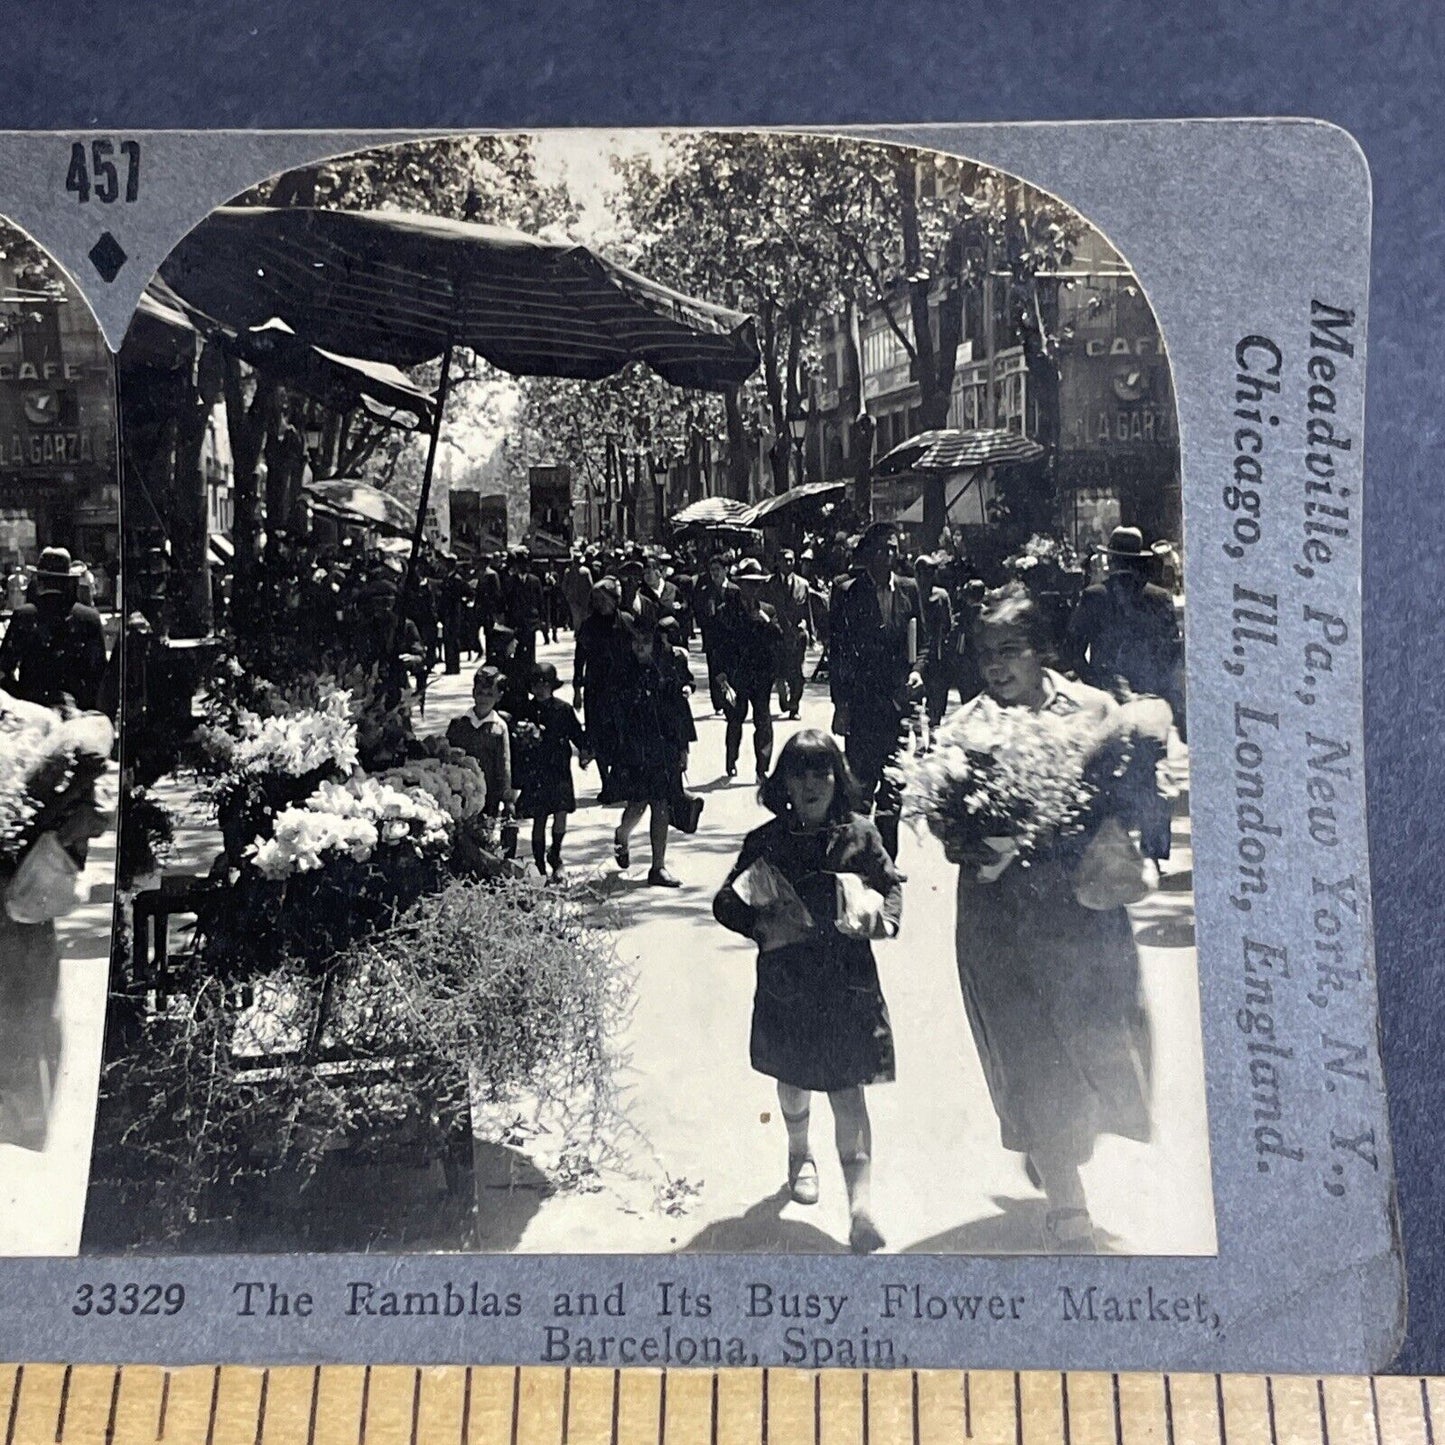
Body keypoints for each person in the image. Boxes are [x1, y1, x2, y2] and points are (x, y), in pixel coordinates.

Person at [947, 589, 1153, 1252]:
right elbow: (944, 817)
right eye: (985, 653)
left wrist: (1122, 826)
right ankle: (1066, 1197)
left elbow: (1133, 793)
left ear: (1042, 651)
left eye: (1009, 649)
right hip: (1000, 913)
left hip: (1082, 913)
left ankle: (1059, 1140)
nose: (994, 665)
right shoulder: (966, 728)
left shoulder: (1095, 710)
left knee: (1101, 1038)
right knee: (1030, 1046)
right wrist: (972, 840)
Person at [712, 729, 902, 1254]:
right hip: (789, 986)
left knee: (847, 1091)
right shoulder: (768, 841)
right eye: (801, 772)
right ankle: (799, 1151)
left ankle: (861, 1209)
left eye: (823, 771)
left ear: (837, 779)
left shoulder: (861, 837)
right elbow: (726, 901)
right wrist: (762, 927)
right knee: (793, 1082)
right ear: (784, 784)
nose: (813, 783)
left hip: (846, 986)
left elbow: (890, 888)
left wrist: (881, 919)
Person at [1067, 525, 1186, 859]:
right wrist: (1158, 690)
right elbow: (1171, 652)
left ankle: (1109, 851)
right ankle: (1155, 850)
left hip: (1107, 698)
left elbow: (1072, 649)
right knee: (1150, 771)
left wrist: (1094, 679)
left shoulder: (1094, 596)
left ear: (1112, 559)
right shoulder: (1159, 597)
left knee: (1104, 769)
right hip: (1148, 699)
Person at [828, 522, 924, 859]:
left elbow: (921, 644)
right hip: (862, 706)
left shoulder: (910, 589)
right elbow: (838, 653)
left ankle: (887, 862)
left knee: (894, 788)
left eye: (894, 549)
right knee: (861, 789)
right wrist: (841, 705)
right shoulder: (847, 592)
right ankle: (859, 860)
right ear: (867, 554)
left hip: (897, 705)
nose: (889, 555)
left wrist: (916, 672)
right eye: (882, 549)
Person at [604, 615, 692, 887]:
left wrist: (683, 746)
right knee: (637, 805)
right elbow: (613, 714)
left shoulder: (667, 666)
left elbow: (680, 710)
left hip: (663, 746)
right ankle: (622, 834)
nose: (640, 647)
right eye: (635, 642)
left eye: (645, 641)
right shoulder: (623, 671)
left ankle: (658, 867)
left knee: (661, 804)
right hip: (634, 748)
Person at [0, 548, 108, 711]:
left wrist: (21, 698)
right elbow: (100, 675)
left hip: (33, 713)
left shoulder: (23, 616)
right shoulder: (89, 618)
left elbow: (4, 669)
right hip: (77, 714)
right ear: (69, 582)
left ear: (40, 580)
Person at [514, 662, 590, 881]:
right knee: (539, 816)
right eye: (536, 685)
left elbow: (577, 733)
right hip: (536, 769)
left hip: (558, 767)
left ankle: (555, 853)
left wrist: (586, 751)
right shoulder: (525, 710)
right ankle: (539, 862)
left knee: (561, 812)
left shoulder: (563, 709)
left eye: (545, 684)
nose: (541, 689)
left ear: (552, 686)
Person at [714, 559, 784, 781]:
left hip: (762, 675)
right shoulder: (726, 611)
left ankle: (762, 768)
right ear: (740, 585)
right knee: (735, 719)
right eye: (747, 584)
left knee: (762, 720)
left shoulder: (768, 610)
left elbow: (779, 639)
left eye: (755, 584)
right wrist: (720, 674)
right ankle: (731, 761)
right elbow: (718, 644)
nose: (751, 589)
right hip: (737, 675)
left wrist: (765, 622)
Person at [446, 665, 518, 860]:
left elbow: (504, 762)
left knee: (486, 835)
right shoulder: (460, 724)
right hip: (461, 791)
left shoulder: (498, 727)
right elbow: (447, 756)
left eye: (489, 694)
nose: (484, 698)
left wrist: (507, 795)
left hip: (490, 793)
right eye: (480, 693)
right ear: (473, 693)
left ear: (498, 696)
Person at [573, 578, 625, 795]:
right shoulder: (588, 625)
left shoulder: (625, 621)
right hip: (596, 686)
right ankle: (606, 782)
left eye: (605, 599)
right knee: (598, 733)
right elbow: (579, 658)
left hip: (621, 686)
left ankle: (619, 781)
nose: (601, 604)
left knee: (620, 734)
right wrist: (577, 688)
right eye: (597, 600)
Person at [766, 548, 813, 719]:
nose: (788, 563)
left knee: (796, 673)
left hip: (796, 635)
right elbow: (765, 609)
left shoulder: (803, 584)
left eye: (791, 560)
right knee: (779, 671)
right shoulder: (769, 584)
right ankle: (783, 696)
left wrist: (811, 633)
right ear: (777, 562)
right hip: (776, 635)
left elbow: (808, 611)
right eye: (784, 560)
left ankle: (794, 707)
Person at [913, 553, 956, 732]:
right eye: (925, 571)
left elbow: (948, 624)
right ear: (917, 573)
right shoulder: (909, 592)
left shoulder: (941, 596)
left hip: (937, 657)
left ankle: (932, 737)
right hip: (914, 657)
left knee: (936, 703)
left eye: (932, 571)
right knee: (913, 705)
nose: (929, 576)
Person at [692, 553, 736, 713]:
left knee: (731, 669)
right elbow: (698, 611)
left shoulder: (734, 590)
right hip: (712, 638)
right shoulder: (705, 590)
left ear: (726, 570)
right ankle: (718, 703)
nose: (715, 573)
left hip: (730, 639)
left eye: (718, 569)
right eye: (712, 570)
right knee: (714, 670)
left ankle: (730, 700)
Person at [502, 548, 544, 671]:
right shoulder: (510, 581)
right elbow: (506, 602)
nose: (524, 566)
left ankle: (530, 674)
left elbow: (540, 602)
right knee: (518, 652)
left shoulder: (534, 581)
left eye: (526, 563)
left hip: (531, 622)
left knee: (530, 651)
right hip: (516, 623)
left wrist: (542, 620)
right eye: (521, 563)